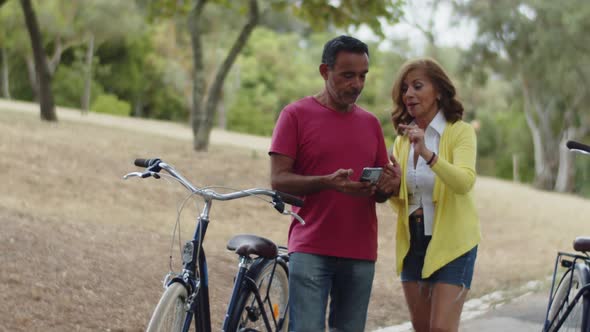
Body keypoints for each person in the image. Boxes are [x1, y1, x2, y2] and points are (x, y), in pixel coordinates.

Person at [269, 35, 399, 332]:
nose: (357, 84)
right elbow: (279, 181)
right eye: (348, 75)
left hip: (360, 251)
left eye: (363, 75)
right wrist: (328, 183)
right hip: (311, 247)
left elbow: (377, 192)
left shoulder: (370, 124)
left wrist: (388, 186)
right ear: (325, 72)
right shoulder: (295, 115)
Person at [388, 57, 481, 332]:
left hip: (454, 241)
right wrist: (390, 185)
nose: (409, 94)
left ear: (439, 91)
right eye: (405, 88)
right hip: (413, 240)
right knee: (422, 327)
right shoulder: (402, 140)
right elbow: (402, 198)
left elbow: (464, 181)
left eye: (417, 86)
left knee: (441, 328)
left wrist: (427, 154)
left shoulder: (459, 132)